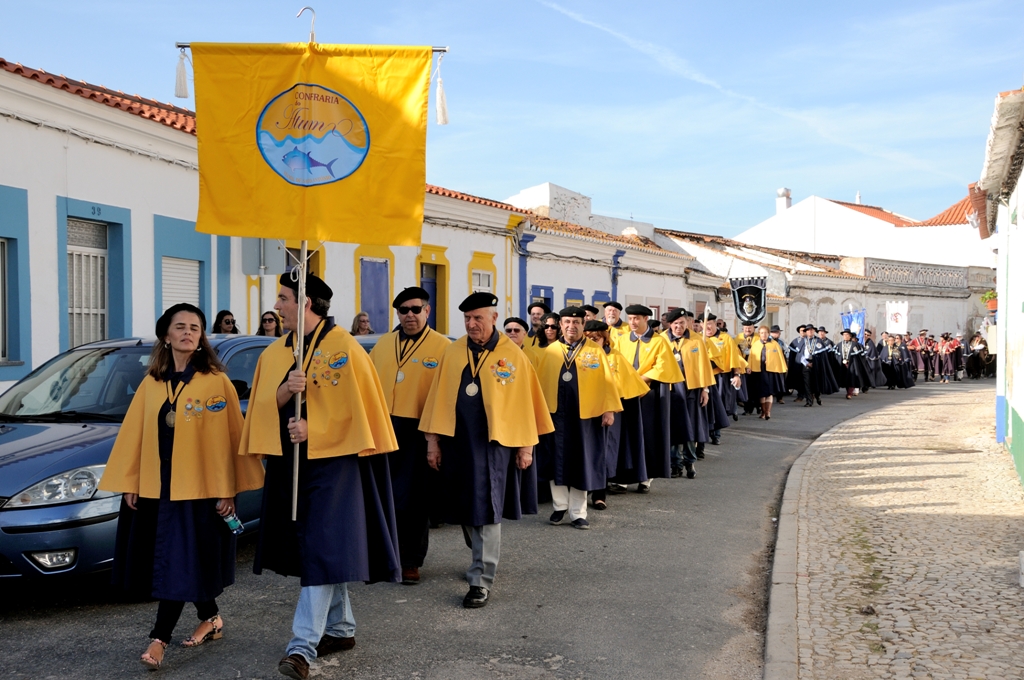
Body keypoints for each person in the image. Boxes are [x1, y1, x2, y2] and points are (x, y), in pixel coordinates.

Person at [239, 273, 401, 680]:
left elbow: (361, 412)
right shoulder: (276, 352)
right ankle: (341, 628)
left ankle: (301, 648)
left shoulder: (345, 348)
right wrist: (282, 393)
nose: (277, 305)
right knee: (317, 548)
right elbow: (260, 406)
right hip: (289, 464)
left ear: (306, 303)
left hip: (336, 465)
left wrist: (316, 427)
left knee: (322, 546)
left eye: (283, 298)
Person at [99, 303, 265, 670]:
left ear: (201, 336)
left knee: (178, 563)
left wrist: (228, 490)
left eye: (195, 327)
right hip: (159, 490)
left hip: (200, 492)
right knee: (185, 562)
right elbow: (134, 437)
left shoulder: (215, 381)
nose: (189, 332)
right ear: (166, 335)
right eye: (181, 326)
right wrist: (131, 481)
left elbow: (227, 441)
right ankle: (212, 618)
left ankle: (159, 640)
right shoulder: (152, 383)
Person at [419, 292, 554, 608]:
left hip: (495, 446)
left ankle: (480, 580)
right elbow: (438, 399)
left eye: (478, 318)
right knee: (466, 506)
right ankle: (479, 550)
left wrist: (526, 448)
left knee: (488, 509)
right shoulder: (453, 353)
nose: (471, 324)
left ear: (494, 318)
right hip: (457, 445)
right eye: (467, 319)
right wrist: (433, 443)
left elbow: (526, 404)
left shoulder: (514, 356)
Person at [369, 287, 452, 585]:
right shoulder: (383, 344)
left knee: (415, 500)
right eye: (403, 310)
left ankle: (411, 561)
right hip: (385, 428)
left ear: (427, 311)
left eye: (416, 309)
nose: (409, 315)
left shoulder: (443, 347)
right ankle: (384, 557)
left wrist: (436, 439)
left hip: (419, 431)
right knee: (384, 496)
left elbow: (446, 397)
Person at [534, 307, 620, 529]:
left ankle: (578, 512)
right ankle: (559, 506)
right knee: (556, 459)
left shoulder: (595, 351)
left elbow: (607, 382)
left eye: (576, 322)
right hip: (556, 414)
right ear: (560, 325)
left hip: (585, 416)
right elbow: (540, 384)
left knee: (582, 461)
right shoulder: (551, 351)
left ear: (583, 324)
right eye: (567, 322)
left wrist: (609, 409)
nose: (571, 326)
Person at [614, 304, 684, 492]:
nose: (633, 322)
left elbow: (663, 366)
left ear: (646, 319)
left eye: (637, 318)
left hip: (649, 393)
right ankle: (623, 476)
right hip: (627, 392)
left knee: (649, 433)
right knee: (627, 434)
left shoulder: (658, 341)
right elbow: (616, 363)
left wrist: (642, 381)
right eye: (630, 318)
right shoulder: (622, 340)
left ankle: (647, 477)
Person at [583, 320, 648, 511]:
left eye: (597, 338)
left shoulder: (615, 357)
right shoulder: (582, 356)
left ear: (605, 338)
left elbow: (631, 384)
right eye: (589, 338)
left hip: (609, 410)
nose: (593, 342)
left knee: (604, 451)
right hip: (585, 409)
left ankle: (599, 494)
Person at [664, 309, 714, 478]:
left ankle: (690, 462)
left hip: (691, 388)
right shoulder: (662, 340)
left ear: (687, 323)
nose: (679, 327)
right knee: (674, 427)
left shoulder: (696, 340)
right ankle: (675, 464)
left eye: (682, 323)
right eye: (675, 323)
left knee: (691, 427)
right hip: (670, 389)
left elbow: (704, 366)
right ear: (670, 324)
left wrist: (705, 389)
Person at [703, 313, 746, 428]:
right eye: (705, 324)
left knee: (720, 403)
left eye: (710, 324)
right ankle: (708, 430)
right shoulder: (699, 339)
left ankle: (717, 432)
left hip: (722, 376)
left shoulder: (725, 338)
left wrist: (737, 375)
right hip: (705, 376)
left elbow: (734, 357)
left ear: (715, 324)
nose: (708, 327)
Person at [749, 325, 787, 420]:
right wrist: (748, 367)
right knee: (761, 393)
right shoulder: (756, 344)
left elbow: (780, 357)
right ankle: (763, 411)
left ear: (768, 333)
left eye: (765, 333)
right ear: (759, 334)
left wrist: (782, 368)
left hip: (771, 371)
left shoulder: (775, 344)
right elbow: (751, 357)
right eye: (761, 333)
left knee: (769, 392)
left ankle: (768, 412)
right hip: (759, 371)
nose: (763, 335)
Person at [833, 329, 871, 399]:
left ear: (850, 336)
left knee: (852, 378)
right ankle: (848, 391)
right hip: (843, 364)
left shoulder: (855, 345)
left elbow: (860, 356)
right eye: (844, 335)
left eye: (847, 335)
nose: (845, 336)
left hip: (852, 364)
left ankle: (849, 393)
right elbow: (836, 355)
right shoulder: (839, 345)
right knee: (845, 379)